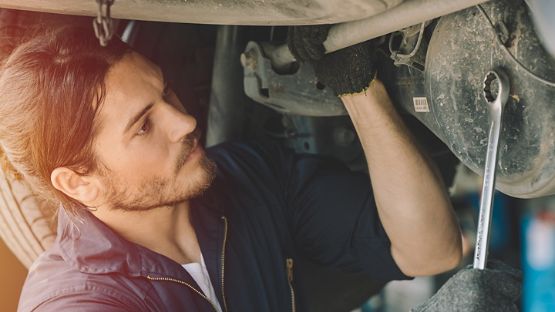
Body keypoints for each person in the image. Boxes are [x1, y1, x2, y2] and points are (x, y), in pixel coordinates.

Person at [0, 23, 505, 311]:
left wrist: (357, 88)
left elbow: (431, 251)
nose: (184, 120)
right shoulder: (77, 302)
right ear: (78, 182)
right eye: (142, 126)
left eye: (166, 92)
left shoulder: (242, 178)